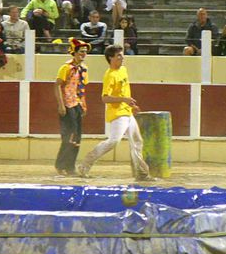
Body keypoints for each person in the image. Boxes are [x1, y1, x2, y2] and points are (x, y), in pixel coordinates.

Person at [77, 45, 152, 180]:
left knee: (137, 141)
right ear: (111, 58)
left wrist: (131, 104)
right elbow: (105, 98)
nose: (122, 57)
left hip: (126, 111)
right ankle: (85, 165)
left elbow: (124, 91)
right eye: (119, 55)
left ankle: (142, 173)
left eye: (122, 55)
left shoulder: (123, 70)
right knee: (113, 141)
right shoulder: (109, 76)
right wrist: (124, 99)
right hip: (117, 114)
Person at [54, 39, 89, 177]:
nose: (83, 54)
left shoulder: (83, 69)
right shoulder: (66, 68)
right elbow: (57, 85)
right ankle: (61, 165)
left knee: (77, 137)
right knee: (69, 136)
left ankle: (70, 167)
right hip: (68, 105)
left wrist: (84, 105)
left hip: (77, 105)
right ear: (74, 52)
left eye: (85, 52)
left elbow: (82, 89)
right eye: (81, 51)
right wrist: (61, 105)